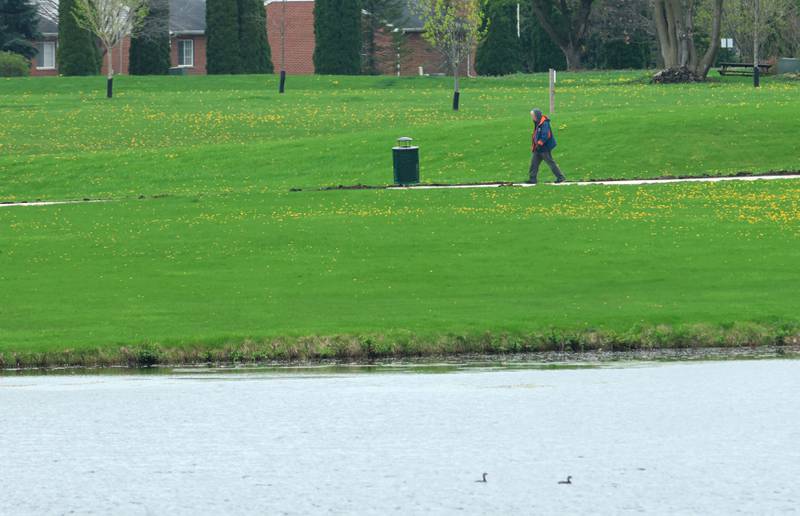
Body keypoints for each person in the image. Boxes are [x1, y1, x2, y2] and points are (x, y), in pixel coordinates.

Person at [529, 108, 566, 184]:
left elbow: (546, 135)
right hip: (538, 147)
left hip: (544, 148)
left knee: (550, 163)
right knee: (534, 163)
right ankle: (532, 179)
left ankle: (560, 177)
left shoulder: (544, 123)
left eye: (533, 115)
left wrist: (539, 143)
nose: (532, 117)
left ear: (537, 115)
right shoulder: (537, 122)